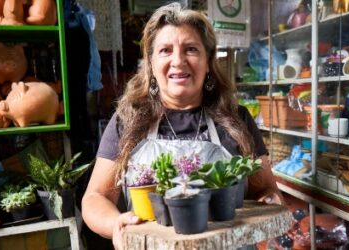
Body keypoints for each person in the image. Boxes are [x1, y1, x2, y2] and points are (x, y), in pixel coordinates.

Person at [82, 3, 283, 249]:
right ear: (151, 64)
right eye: (165, 50)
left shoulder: (236, 119)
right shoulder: (128, 121)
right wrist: (115, 223)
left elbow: (265, 190)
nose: (178, 61)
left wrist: (269, 200)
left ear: (208, 61)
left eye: (191, 49)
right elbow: (95, 198)